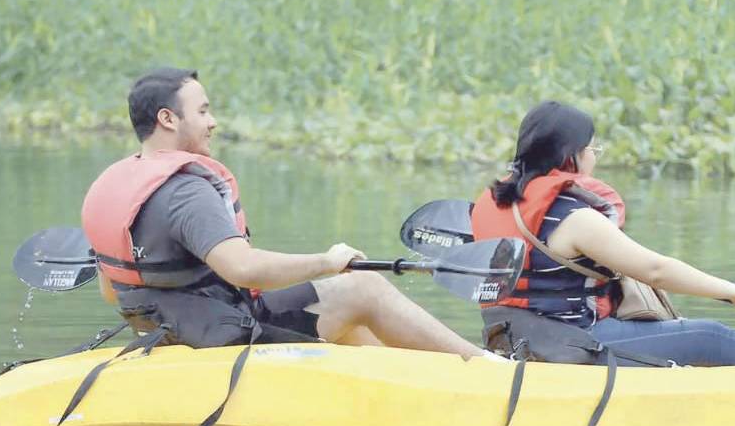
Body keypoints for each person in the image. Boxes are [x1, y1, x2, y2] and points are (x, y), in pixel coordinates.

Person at [84, 68, 489, 357]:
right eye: (203, 111)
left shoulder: (113, 186)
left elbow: (110, 292)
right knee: (364, 288)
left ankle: (405, 383)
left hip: (169, 330)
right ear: (167, 119)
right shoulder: (186, 192)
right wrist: (327, 262)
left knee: (351, 322)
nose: (213, 122)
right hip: (223, 335)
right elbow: (243, 269)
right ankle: (488, 370)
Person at [468, 101, 735, 366]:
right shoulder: (573, 217)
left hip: (514, 340)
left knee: (672, 332)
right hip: (572, 344)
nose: (595, 156)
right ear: (572, 155)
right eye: (593, 148)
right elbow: (656, 271)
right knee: (707, 336)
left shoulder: (493, 204)